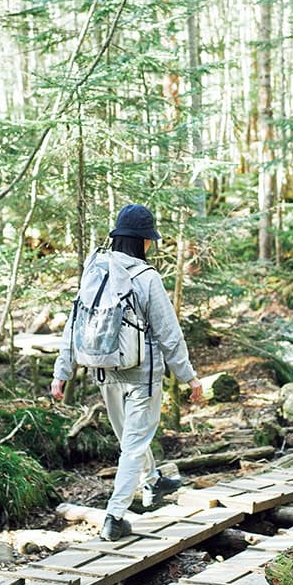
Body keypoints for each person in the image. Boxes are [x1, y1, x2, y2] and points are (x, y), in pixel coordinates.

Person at [51, 203, 204, 541]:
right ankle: (115, 516)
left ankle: (151, 484)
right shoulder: (147, 278)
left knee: (131, 440)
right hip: (142, 374)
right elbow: (168, 332)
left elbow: (74, 322)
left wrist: (62, 372)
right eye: (150, 240)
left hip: (103, 371)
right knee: (133, 444)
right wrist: (189, 376)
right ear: (142, 242)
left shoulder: (95, 268)